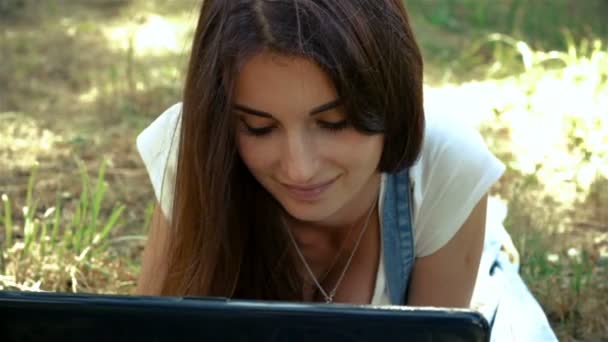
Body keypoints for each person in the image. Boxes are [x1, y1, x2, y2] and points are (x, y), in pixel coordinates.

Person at [135, 1, 557, 340]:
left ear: (389, 97)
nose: (300, 169)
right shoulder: (193, 148)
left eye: (334, 122)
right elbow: (145, 328)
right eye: (258, 127)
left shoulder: (445, 166)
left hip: (460, 251)